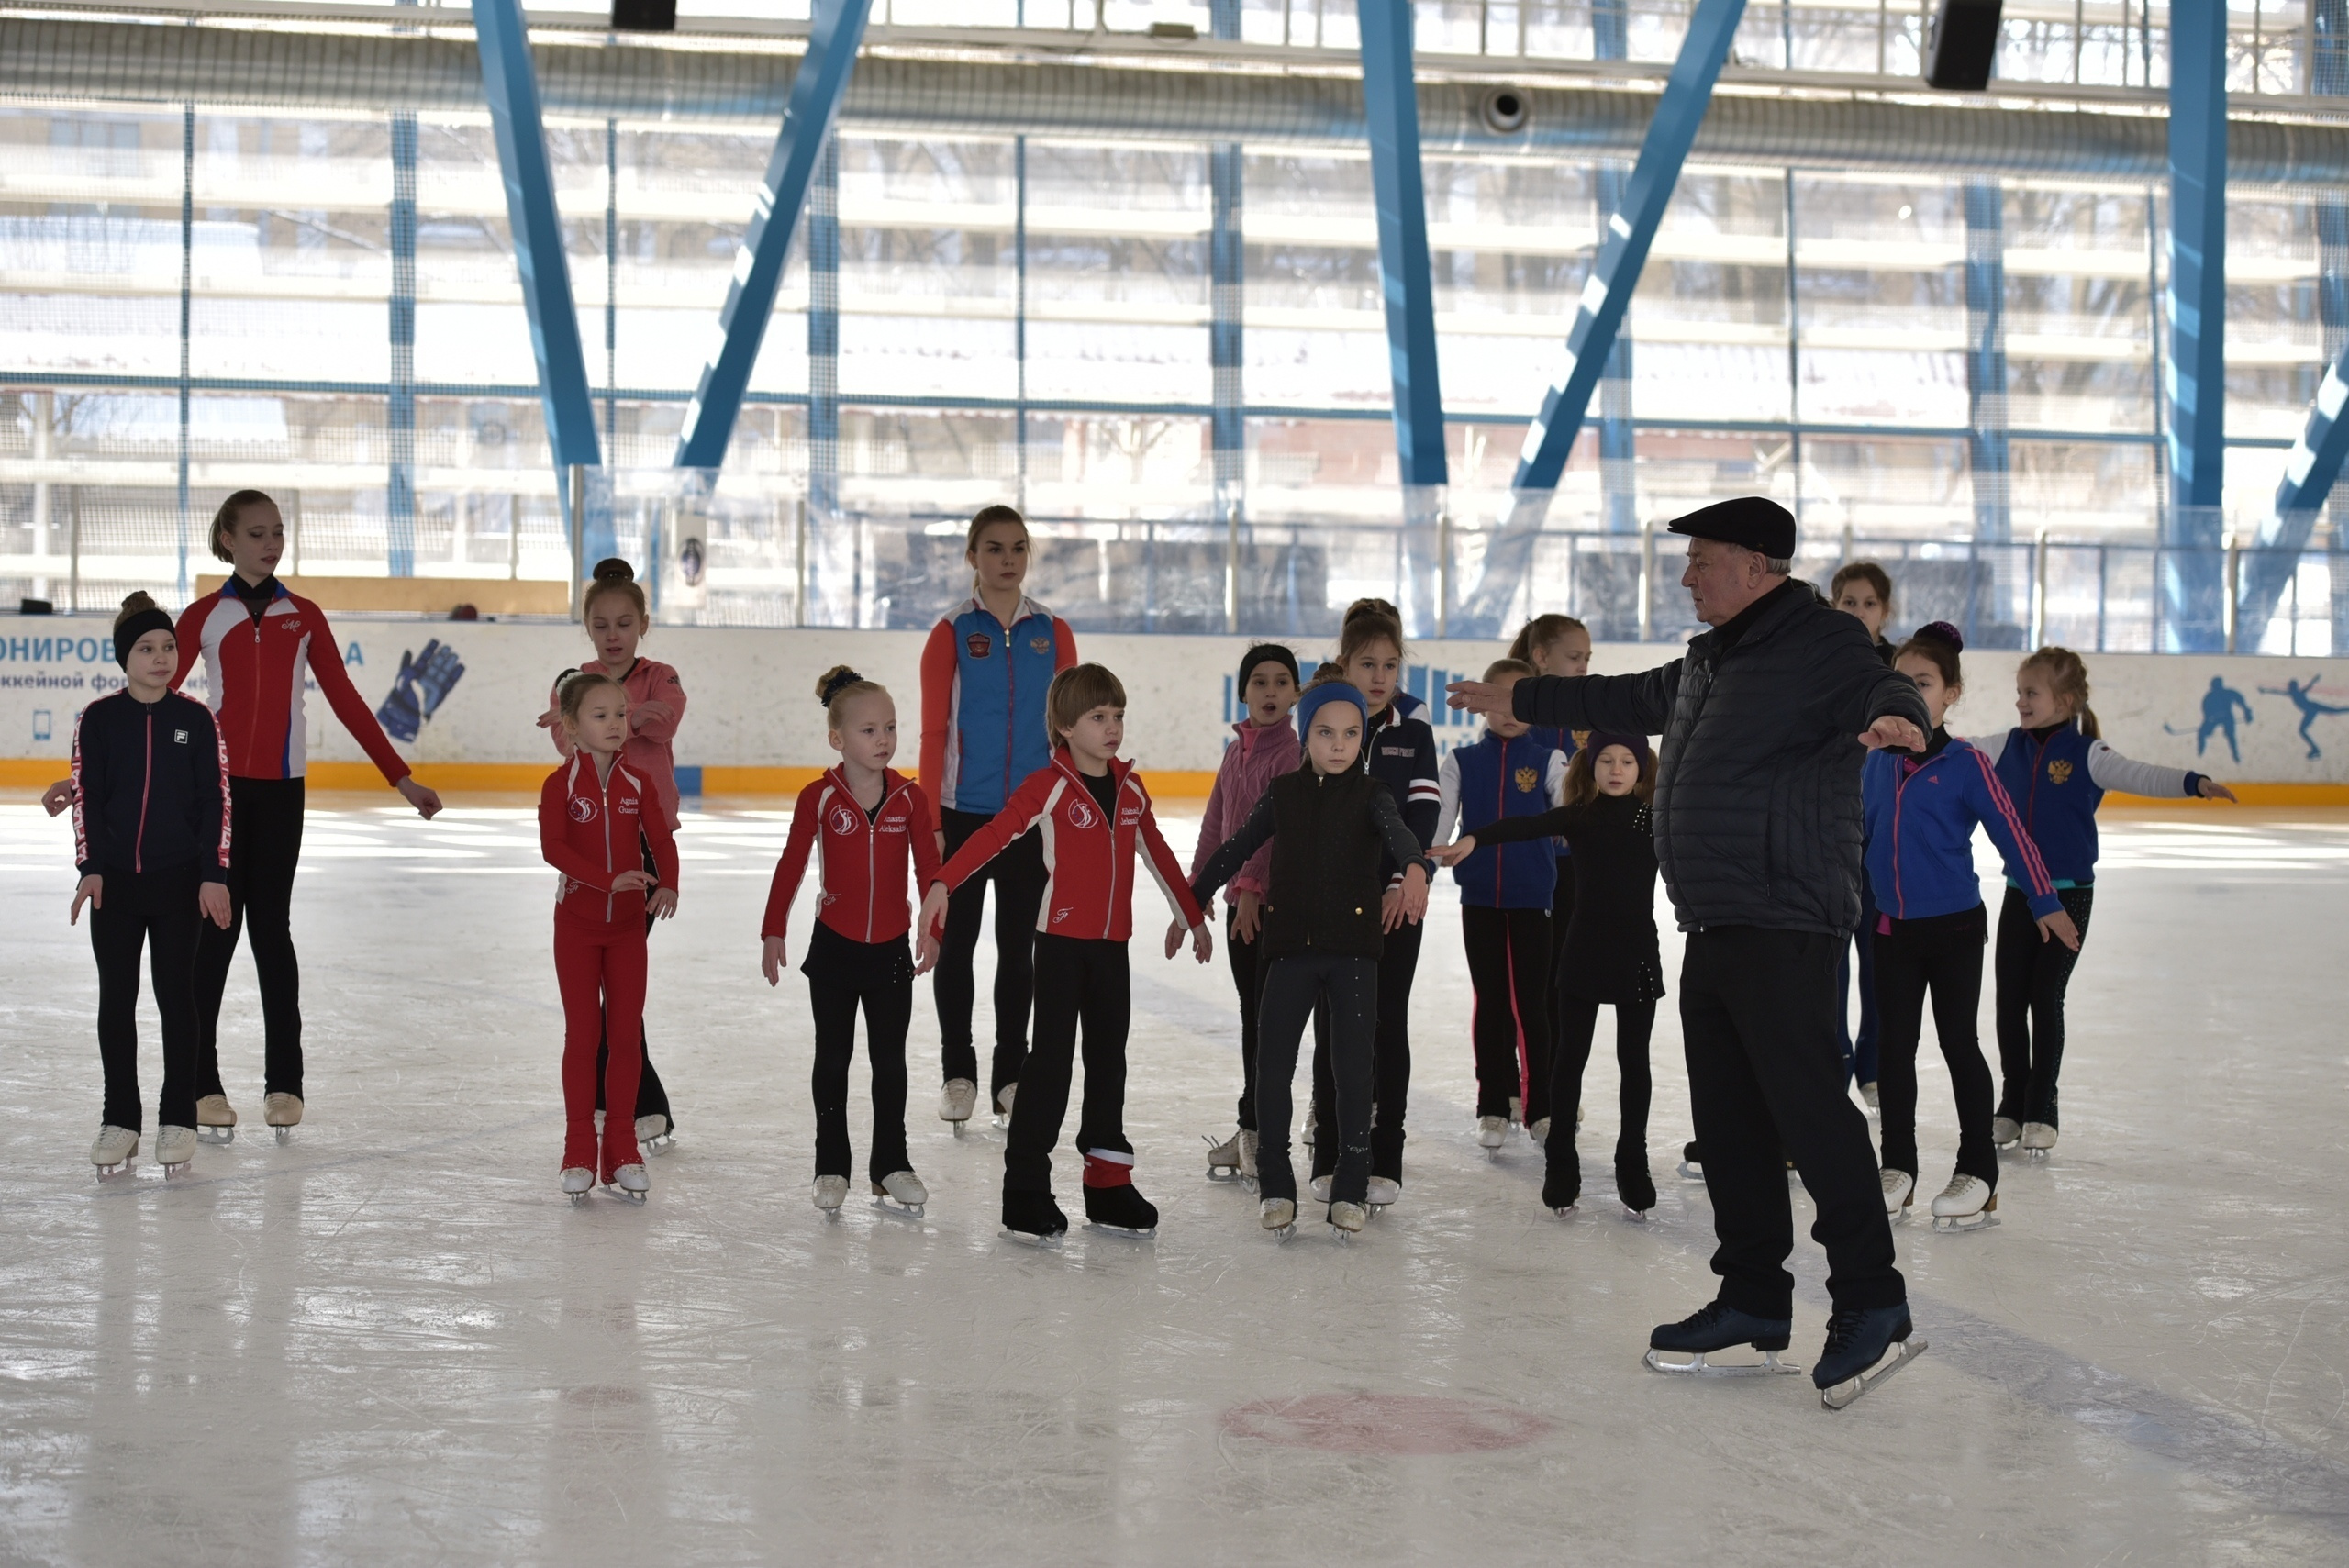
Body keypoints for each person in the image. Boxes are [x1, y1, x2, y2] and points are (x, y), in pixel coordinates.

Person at [1447, 495, 1932, 1409]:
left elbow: (1882, 682)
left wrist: (1902, 718)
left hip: (1787, 915)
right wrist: (1525, 696)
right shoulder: (1717, 656)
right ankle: (1753, 1293)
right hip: (1713, 917)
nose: (1685, 574)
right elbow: (1624, 697)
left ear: (1757, 564)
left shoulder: (1821, 641)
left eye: (1701, 559)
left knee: (1806, 1115)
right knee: (1731, 1122)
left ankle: (1874, 1297)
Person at [916, 663, 1210, 1242]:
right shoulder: (1047, 784)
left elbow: (1157, 853)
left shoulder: (1130, 787)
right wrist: (943, 883)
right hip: (1057, 949)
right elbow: (995, 835)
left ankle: (1108, 1187)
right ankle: (1025, 1189)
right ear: (1065, 727)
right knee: (1048, 1068)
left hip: (1112, 952)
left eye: (1118, 715)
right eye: (1098, 717)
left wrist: (1191, 917)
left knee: (1108, 1066)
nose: (1112, 727)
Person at [1190, 675, 1434, 1240]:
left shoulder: (1374, 795)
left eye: (1351, 733)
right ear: (1307, 736)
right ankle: (1276, 1185)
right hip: (1290, 951)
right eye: (1326, 733)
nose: (1340, 744)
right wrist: (1195, 893)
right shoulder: (1284, 794)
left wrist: (1416, 868)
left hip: (1352, 955)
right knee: (1272, 1068)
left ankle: (1350, 1187)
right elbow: (1238, 847)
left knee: (1353, 1074)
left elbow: (1401, 838)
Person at [1975, 647, 2235, 1157]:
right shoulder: (2004, 747)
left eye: (2032, 693)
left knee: (2045, 998)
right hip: (2020, 894)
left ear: (2065, 700)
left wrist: (2193, 783)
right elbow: (1951, 749)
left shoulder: (2088, 754)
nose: (2020, 701)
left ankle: (2042, 1106)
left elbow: (2141, 774)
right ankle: (2012, 1102)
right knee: (2010, 1002)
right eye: (2019, 692)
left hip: (2070, 896)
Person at [1862, 624, 2077, 1234]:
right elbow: (1849, 834)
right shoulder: (1873, 763)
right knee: (1894, 1049)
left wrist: (2044, 902)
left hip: (1954, 929)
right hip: (1889, 927)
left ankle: (1978, 1171)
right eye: (1899, 680)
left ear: (1950, 693)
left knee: (1959, 1044)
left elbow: (2013, 833)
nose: (1908, 690)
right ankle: (1896, 1167)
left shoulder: (1966, 765)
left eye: (1923, 682)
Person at [1435, 732, 1663, 1218]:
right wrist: (1473, 838)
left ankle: (1632, 1162)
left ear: (1643, 768)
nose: (1617, 769)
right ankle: (1561, 1163)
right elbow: (1526, 825)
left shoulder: (1655, 821)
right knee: (1568, 1060)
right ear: (1590, 766)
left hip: (1637, 953)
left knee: (1634, 1063)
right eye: (1606, 760)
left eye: (1628, 760)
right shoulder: (1579, 817)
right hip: (1582, 952)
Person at [918, 505, 1078, 1129]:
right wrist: (931, 819)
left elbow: (1070, 730)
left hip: (1032, 819)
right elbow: (934, 732)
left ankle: (1011, 1075)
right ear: (972, 556)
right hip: (962, 814)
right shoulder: (950, 632)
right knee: (955, 947)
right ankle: (958, 1072)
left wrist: (1066, 807)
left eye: (1016, 547)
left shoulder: (1054, 631)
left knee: (1020, 950)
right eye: (993, 548)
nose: (1006, 558)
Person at [762, 667, 941, 1218]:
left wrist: (932, 931)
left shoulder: (910, 799)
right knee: (832, 1060)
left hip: (890, 952)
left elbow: (931, 873)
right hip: (834, 950)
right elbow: (791, 865)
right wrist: (773, 929)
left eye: (890, 727)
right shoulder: (818, 797)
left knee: (890, 1064)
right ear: (837, 738)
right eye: (869, 730)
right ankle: (830, 1166)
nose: (883, 739)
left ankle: (891, 1165)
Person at [69, 593, 235, 1180]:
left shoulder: (195, 719)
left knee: (176, 1000)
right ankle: (121, 1119)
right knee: (116, 1000)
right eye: (146, 648)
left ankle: (177, 1118)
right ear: (124, 656)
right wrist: (89, 867)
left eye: (168, 647)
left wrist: (214, 875)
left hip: (178, 885)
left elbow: (216, 800)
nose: (160, 657)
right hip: (114, 887)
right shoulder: (98, 718)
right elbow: (85, 794)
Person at [539, 559, 689, 1153]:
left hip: (644, 842)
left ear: (643, 624)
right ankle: (630, 1101)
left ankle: (635, 1102)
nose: (613, 634)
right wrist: (588, 715)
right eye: (600, 624)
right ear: (587, 627)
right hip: (589, 846)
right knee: (605, 982)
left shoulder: (661, 675)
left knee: (618, 977)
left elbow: (664, 722)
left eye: (624, 622)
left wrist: (611, 711)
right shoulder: (572, 682)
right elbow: (566, 742)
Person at [1305, 600, 1440, 1207]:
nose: (1381, 677)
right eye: (1367, 664)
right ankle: (1329, 1150)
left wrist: (1408, 874)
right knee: (1334, 1023)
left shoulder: (1414, 732)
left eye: (1390, 664)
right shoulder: (1326, 728)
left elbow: (1423, 811)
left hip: (1394, 902)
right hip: (1333, 904)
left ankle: (1388, 1153)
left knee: (1387, 1021)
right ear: (1344, 664)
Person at [539, 672, 678, 1204]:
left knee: (624, 1037)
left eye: (620, 714)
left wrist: (670, 881)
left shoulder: (637, 783)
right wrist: (607, 879)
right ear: (572, 727)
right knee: (584, 1035)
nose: (616, 724)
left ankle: (621, 1147)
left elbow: (660, 836)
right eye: (601, 716)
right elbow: (554, 848)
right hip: (576, 926)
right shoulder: (558, 786)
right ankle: (578, 1146)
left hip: (625, 932)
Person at [1434, 657, 1566, 1150]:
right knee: (1490, 1002)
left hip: (1534, 899)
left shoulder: (1551, 760)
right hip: (1480, 902)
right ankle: (1492, 1102)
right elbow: (1441, 823)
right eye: (1500, 698)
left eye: (1521, 699)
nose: (1510, 710)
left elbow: (1567, 818)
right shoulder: (1462, 761)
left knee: (1531, 1004)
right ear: (1482, 703)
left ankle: (1541, 1107)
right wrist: (1421, 868)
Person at [1192, 643, 1304, 1185]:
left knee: (1267, 1021)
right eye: (1259, 682)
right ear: (1242, 692)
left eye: (1282, 682)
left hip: (1273, 908)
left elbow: (1275, 832)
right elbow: (1217, 822)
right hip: (1241, 903)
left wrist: (1254, 889)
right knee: (1250, 1015)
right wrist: (1199, 887)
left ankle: (1261, 1131)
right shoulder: (1235, 753)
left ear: (1296, 694)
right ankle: (1253, 1127)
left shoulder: (1291, 754)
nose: (1270, 692)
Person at [1508, 614, 1593, 1132]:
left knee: (1568, 981)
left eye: (1588, 659)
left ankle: (1561, 1084)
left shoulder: (1586, 711)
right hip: (1532, 871)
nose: (1584, 667)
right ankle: (1528, 1082)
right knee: (1532, 986)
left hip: (1578, 870)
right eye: (1574, 657)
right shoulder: (1519, 715)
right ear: (1542, 658)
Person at [1829, 562, 1896, 1104]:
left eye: (1868, 603)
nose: (1858, 612)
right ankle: (1835, 1060)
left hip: (1880, 841)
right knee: (1829, 960)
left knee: (1878, 957)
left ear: (1885, 612)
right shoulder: (1815, 664)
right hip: (1827, 833)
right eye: (1848, 602)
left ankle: (1873, 1064)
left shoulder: (1900, 674)